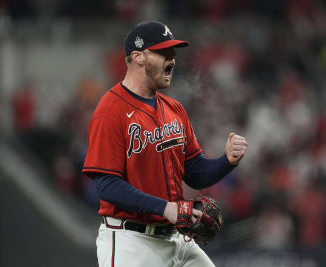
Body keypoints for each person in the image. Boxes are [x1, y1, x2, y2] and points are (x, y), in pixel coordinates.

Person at [82, 21, 248, 267]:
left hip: (177, 238)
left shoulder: (174, 109)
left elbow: (195, 172)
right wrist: (165, 208)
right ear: (138, 57)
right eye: (163, 53)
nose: (172, 59)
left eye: (173, 53)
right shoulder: (110, 110)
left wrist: (227, 162)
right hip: (132, 242)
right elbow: (106, 186)